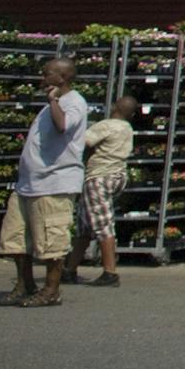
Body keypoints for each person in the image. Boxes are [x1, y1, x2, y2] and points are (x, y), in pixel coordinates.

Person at [0, 57, 90, 307]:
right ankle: (25, 285)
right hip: (28, 183)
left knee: (52, 241)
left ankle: (51, 290)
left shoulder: (74, 102)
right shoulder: (50, 104)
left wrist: (53, 100)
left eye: (47, 73)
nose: (42, 77)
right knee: (16, 238)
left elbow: (63, 127)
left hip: (54, 183)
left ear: (63, 78)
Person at [68, 94, 137, 288]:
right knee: (85, 224)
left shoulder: (106, 125)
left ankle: (110, 272)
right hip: (117, 175)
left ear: (115, 106)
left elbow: (84, 142)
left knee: (102, 223)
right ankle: (70, 269)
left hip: (98, 177)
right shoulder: (127, 128)